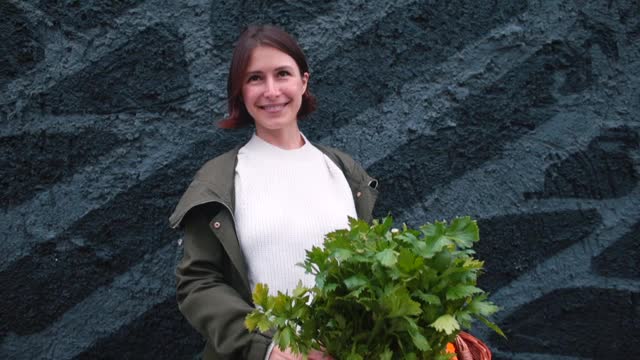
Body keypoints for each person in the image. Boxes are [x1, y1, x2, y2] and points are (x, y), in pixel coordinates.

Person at [169, 24, 379, 360]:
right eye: (255, 78)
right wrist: (268, 348)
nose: (271, 90)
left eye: (283, 74)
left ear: (303, 82)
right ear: (240, 91)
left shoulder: (343, 171)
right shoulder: (220, 180)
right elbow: (198, 284)